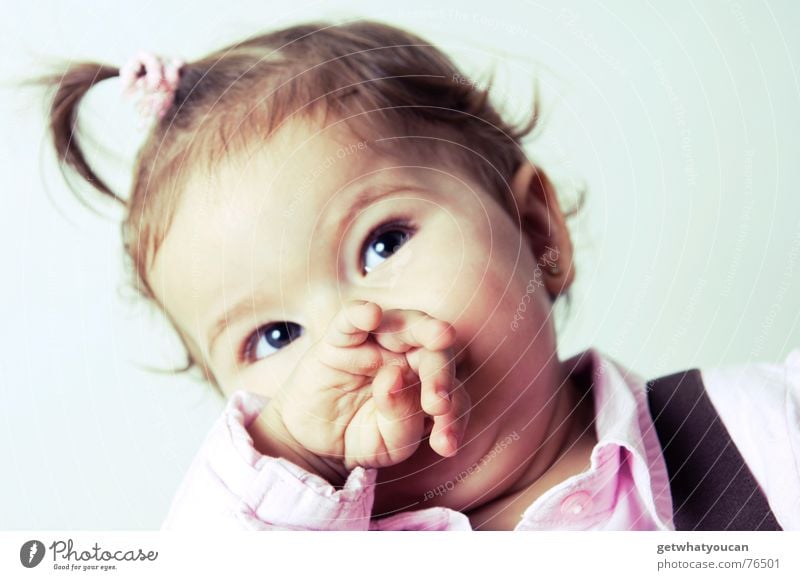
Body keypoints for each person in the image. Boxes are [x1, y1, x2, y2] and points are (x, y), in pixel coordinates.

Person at [32, 20, 798, 531]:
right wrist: (293, 456)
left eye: (383, 244)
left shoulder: (760, 429)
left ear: (535, 232)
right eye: (275, 335)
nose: (350, 336)